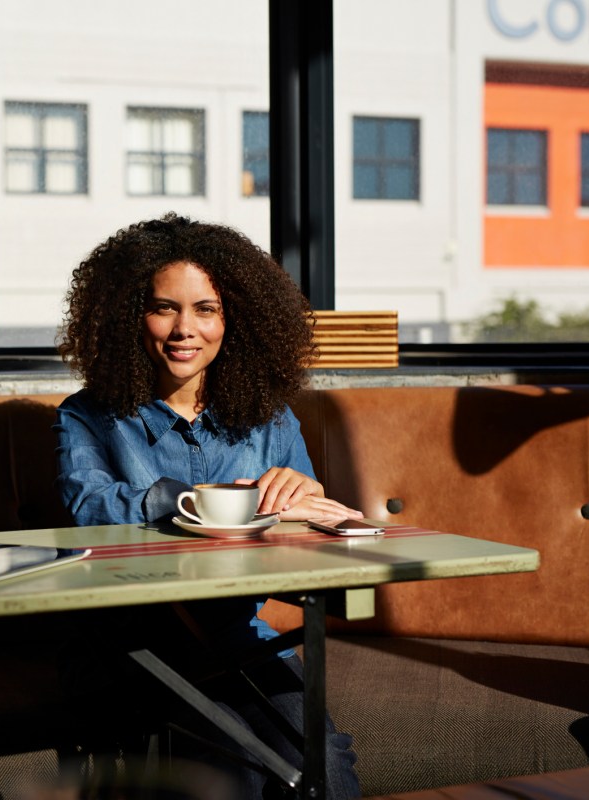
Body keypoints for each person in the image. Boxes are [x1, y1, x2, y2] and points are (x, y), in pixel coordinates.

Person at [53, 213, 362, 798]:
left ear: (235, 320)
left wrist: (311, 503)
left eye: (206, 309)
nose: (183, 329)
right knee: (237, 769)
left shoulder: (271, 419)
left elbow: (303, 532)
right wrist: (210, 504)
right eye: (164, 307)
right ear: (128, 316)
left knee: (323, 764)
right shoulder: (86, 415)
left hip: (238, 640)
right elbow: (87, 507)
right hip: (126, 647)